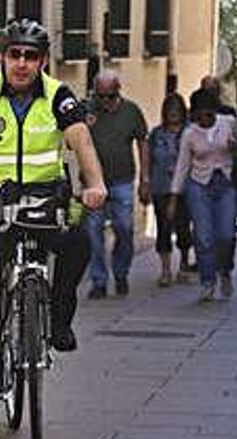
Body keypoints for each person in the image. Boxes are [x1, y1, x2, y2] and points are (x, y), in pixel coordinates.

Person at [0, 18, 107, 401]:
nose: (21, 63)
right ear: (2, 57)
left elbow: (81, 141)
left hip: (43, 203)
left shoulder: (58, 96)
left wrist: (95, 183)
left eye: (30, 56)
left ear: (43, 61)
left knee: (79, 245)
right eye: (14, 55)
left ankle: (59, 317)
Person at [168, 89, 237, 301]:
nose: (204, 120)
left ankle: (225, 270)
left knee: (226, 234)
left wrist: (236, 147)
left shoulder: (229, 123)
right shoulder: (189, 133)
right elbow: (182, 166)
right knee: (203, 237)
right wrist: (174, 198)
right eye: (199, 116)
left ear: (215, 112)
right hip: (198, 185)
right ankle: (208, 281)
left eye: (208, 115)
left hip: (225, 183)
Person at [84, 71, 150, 298]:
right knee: (93, 233)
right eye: (101, 96)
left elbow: (143, 143)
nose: (105, 101)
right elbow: (72, 139)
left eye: (110, 96)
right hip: (93, 182)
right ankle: (99, 281)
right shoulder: (88, 110)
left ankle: (121, 272)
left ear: (118, 91)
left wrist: (144, 179)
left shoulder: (131, 111)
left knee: (124, 229)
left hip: (122, 181)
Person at [146, 93, 193, 286]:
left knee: (183, 227)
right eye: (169, 110)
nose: (173, 114)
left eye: (176, 110)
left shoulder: (190, 132)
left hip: (185, 187)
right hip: (161, 187)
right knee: (163, 227)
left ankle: (183, 263)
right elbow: (149, 158)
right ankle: (165, 270)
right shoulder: (157, 134)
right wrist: (146, 182)